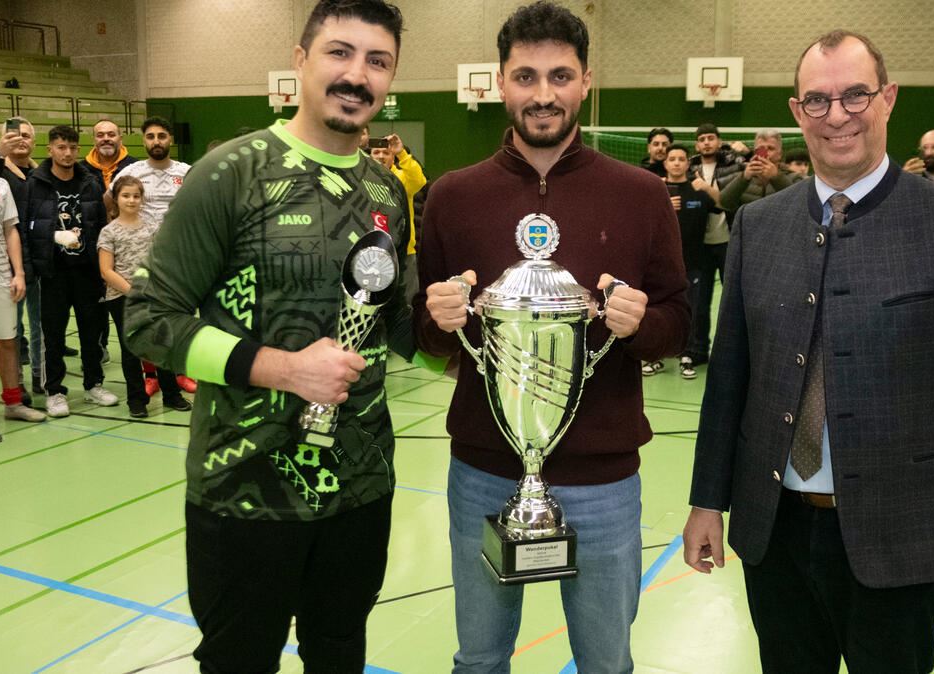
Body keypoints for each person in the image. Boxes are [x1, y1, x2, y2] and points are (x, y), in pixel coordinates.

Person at [682, 30, 934, 674]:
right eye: (818, 100)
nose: (837, 116)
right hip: (774, 533)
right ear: (795, 111)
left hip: (900, 537)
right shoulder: (759, 225)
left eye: (855, 95)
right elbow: (730, 382)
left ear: (888, 99)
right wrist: (707, 501)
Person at [124, 1, 421, 671]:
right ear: (300, 61)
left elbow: (396, 324)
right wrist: (283, 370)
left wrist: (468, 328)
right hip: (243, 493)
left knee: (340, 655)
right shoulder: (231, 173)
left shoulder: (385, 187)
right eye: (339, 53)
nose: (357, 75)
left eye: (377, 61)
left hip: (361, 488)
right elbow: (149, 319)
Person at [415, 3, 689, 670]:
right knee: (478, 659)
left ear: (586, 81)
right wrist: (440, 318)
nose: (543, 95)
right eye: (526, 76)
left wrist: (640, 324)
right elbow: (424, 333)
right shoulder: (451, 196)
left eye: (560, 76)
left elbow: (678, 323)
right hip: (483, 468)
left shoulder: (641, 194)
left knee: (605, 662)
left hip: (604, 480)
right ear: (500, 82)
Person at [22, 125, 117, 418]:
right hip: (53, 272)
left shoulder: (89, 183)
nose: (67, 153)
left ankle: (93, 385)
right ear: (50, 149)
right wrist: (36, 260)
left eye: (72, 148)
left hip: (87, 270)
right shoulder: (34, 183)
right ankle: (54, 391)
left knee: (92, 332)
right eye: (61, 147)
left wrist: (103, 267)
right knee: (54, 335)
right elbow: (25, 228)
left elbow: (102, 228)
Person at [114, 116, 197, 396]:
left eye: (162, 136)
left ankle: (180, 372)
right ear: (143, 139)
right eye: (150, 136)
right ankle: (150, 375)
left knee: (180, 315)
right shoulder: (133, 172)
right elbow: (111, 201)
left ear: (170, 139)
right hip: (143, 259)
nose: (156, 141)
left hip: (180, 256)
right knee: (147, 318)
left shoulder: (187, 171)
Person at [97, 176, 192, 418]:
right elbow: (106, 270)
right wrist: (133, 292)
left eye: (136, 196)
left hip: (154, 295)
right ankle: (136, 400)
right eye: (126, 195)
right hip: (122, 297)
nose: (131, 200)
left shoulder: (152, 227)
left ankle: (171, 394)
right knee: (131, 350)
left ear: (142, 199)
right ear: (116, 199)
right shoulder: (109, 232)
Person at [684, 122, 741, 371]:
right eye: (702, 139)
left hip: (729, 241)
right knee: (699, 301)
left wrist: (707, 189)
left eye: (711, 138)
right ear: (697, 144)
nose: (707, 142)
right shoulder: (689, 169)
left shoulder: (733, 164)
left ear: (718, 141)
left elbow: (730, 201)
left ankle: (732, 353)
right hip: (700, 246)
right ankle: (697, 351)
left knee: (732, 301)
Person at [0, 117, 44, 399]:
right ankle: (18, 384)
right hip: (8, 264)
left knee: (41, 323)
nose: (20, 139)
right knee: (13, 329)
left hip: (39, 260)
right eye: (14, 135)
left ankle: (41, 376)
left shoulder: (42, 173)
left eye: (26, 135)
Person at [0, 169, 47, 430]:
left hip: (0, 275)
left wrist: (19, 273)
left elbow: (10, 230)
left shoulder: (0, 185)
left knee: (7, 341)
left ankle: (13, 404)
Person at [661, 143, 715, 380]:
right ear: (665, 163)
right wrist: (665, 207)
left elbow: (723, 205)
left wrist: (708, 190)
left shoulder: (698, 191)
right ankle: (659, 354)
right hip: (663, 263)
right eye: (672, 159)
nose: (676, 163)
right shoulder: (657, 190)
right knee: (662, 307)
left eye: (681, 159)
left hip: (694, 261)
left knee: (694, 307)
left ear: (687, 163)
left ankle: (690, 354)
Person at [369, 133, 426, 301]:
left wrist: (402, 153)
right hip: (372, 254)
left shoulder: (401, 179)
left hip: (403, 254)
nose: (381, 156)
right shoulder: (361, 179)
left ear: (392, 158)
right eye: (376, 152)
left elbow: (419, 180)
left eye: (386, 153)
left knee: (408, 304)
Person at [717, 129, 804, 213]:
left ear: (780, 154)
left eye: (770, 148)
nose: (766, 153)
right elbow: (724, 203)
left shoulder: (795, 177)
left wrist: (777, 177)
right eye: (761, 149)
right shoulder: (742, 176)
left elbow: (800, 204)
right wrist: (744, 178)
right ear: (755, 152)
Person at [80, 119, 136, 193]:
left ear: (120, 139)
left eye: (111, 135)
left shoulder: (135, 167)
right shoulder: (80, 169)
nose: (106, 139)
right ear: (93, 140)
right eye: (100, 135)